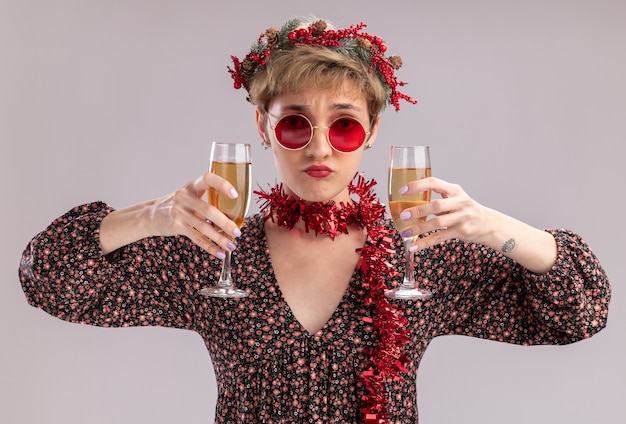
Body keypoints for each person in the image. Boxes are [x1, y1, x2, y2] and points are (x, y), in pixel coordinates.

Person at [19, 17, 610, 423]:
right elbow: (49, 277)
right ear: (263, 129)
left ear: (372, 133)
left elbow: (580, 311)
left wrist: (489, 225)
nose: (320, 148)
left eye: (345, 125)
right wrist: (155, 215)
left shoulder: (418, 255)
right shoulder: (215, 249)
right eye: (295, 123)